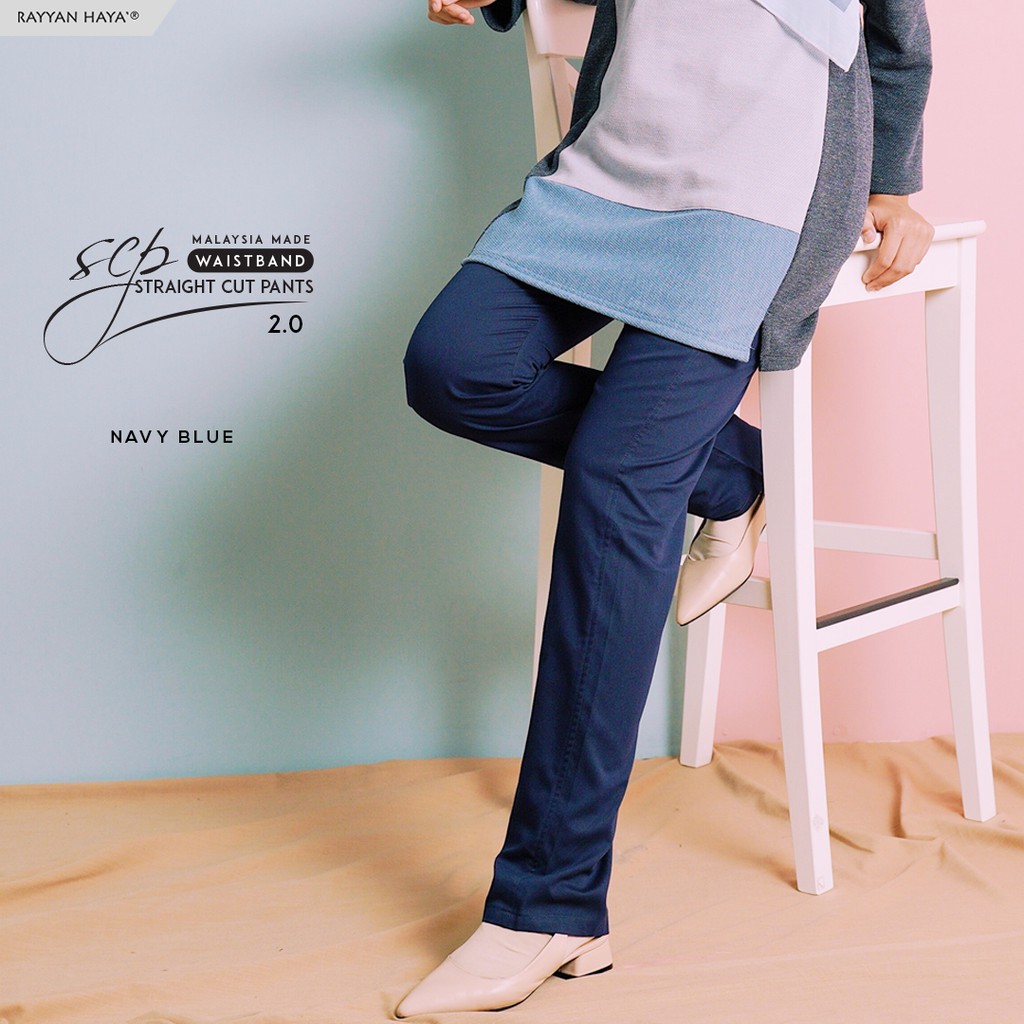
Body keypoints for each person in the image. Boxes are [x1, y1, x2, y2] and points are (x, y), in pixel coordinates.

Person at [396, 0, 936, 1015]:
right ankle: (731, 476)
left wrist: (893, 186)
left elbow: (897, 36)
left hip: (754, 202)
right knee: (455, 366)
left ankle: (550, 902)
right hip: (606, 177)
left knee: (617, 488)